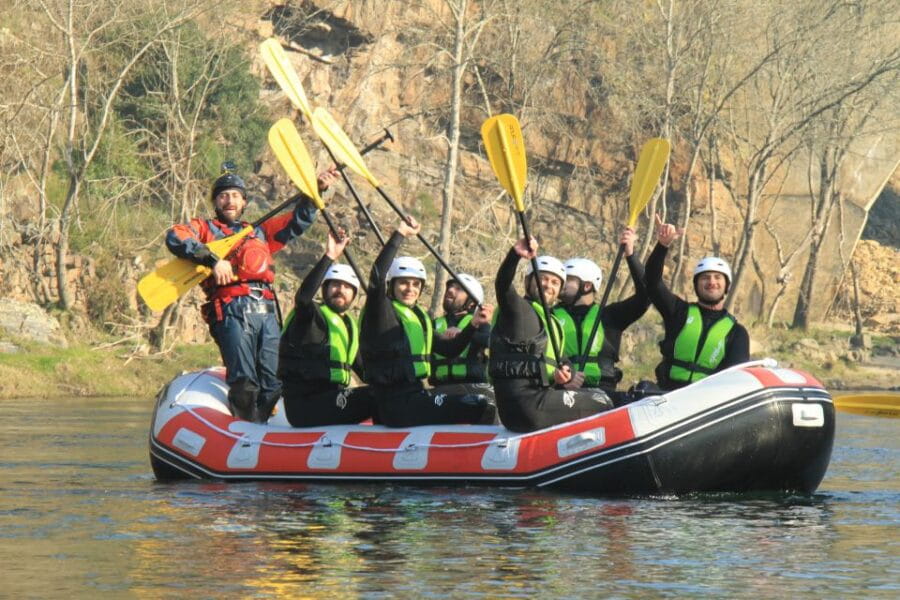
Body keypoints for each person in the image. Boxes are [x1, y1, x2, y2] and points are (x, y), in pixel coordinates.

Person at [165, 163, 338, 423]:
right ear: (216, 202)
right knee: (244, 381)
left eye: (235, 195)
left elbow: (296, 221)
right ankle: (246, 428)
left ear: (244, 201)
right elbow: (176, 236)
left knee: (273, 380)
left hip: (266, 311)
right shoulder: (206, 229)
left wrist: (316, 192)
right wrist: (212, 260)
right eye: (223, 195)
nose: (230, 200)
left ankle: (266, 429)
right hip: (230, 309)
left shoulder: (260, 233)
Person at [359, 216, 497, 427]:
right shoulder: (381, 312)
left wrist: (473, 325)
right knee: (477, 405)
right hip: (394, 402)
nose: (410, 289)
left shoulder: (419, 319)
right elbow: (376, 280)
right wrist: (400, 234)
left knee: (481, 404)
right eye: (404, 283)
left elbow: (449, 350)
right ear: (392, 285)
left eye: (416, 284)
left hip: (414, 393)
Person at [489, 237, 614, 433]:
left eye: (555, 282)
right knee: (602, 401)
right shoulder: (517, 310)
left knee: (591, 395)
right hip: (524, 404)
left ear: (559, 291)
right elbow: (503, 284)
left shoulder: (552, 323)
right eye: (543, 278)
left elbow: (564, 362)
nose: (548, 285)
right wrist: (515, 255)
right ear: (528, 281)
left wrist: (565, 375)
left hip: (538, 399)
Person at [278, 229, 376, 427]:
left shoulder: (349, 326)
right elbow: (303, 299)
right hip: (305, 406)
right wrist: (330, 256)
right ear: (325, 289)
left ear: (354, 295)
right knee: (377, 397)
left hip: (334, 398)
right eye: (335, 285)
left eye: (347, 287)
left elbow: (367, 373)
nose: (341, 290)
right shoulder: (310, 317)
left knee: (386, 392)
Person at [645, 214, 750, 390]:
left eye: (718, 278)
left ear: (727, 286)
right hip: (668, 395)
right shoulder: (678, 312)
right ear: (696, 284)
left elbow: (735, 381)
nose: (711, 282)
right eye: (705, 278)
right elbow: (652, 282)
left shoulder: (737, 333)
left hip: (703, 404)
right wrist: (662, 246)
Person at [552, 228, 651, 398]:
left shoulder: (611, 316)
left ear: (587, 286)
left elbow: (646, 295)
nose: (561, 284)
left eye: (567, 280)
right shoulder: (550, 315)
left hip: (602, 391)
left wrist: (631, 255)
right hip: (562, 390)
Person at [429, 273, 495, 399]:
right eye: (450, 287)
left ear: (471, 302)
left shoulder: (480, 323)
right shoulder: (434, 324)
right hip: (439, 389)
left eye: (458, 289)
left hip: (472, 388)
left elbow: (492, 342)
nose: (450, 290)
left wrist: (462, 333)